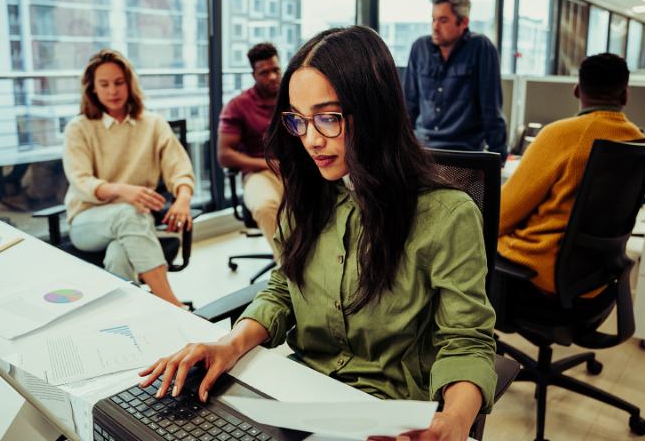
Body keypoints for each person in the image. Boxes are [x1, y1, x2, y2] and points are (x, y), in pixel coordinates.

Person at [140, 26, 497, 440]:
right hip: (300, 397)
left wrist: (453, 421)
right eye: (298, 119)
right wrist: (230, 344)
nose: (310, 139)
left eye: (327, 118)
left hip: (386, 412)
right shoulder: (309, 195)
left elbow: (466, 342)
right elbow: (284, 288)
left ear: (373, 111)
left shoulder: (446, 215)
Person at [498, 53, 644, 296]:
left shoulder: (559, 135)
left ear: (577, 90)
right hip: (596, 275)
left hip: (540, 270)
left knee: (462, 238)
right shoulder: (640, 144)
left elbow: (502, 215)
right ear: (625, 95)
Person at [63, 49, 194, 308]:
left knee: (118, 256)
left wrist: (183, 199)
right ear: (93, 89)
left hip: (134, 220)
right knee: (127, 213)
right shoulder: (78, 128)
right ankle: (171, 306)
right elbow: (81, 181)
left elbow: (179, 168)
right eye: (104, 84)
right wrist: (123, 190)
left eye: (119, 82)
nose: (113, 90)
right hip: (88, 221)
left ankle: (126, 320)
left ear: (129, 83)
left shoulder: (153, 124)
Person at [403, 0, 507, 158]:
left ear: (464, 22)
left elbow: (491, 109)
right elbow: (408, 106)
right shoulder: (419, 48)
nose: (435, 27)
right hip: (422, 152)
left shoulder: (481, 48)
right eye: (433, 19)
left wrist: (499, 157)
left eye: (443, 20)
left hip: (463, 154)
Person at [217, 43, 283, 255]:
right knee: (265, 206)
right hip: (260, 172)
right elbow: (224, 155)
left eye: (276, 70)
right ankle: (287, 270)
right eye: (264, 73)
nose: (272, 77)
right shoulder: (238, 105)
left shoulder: (292, 97)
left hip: (296, 170)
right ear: (253, 74)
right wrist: (267, 163)